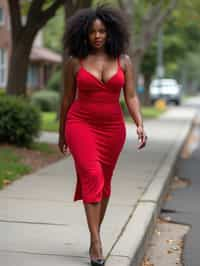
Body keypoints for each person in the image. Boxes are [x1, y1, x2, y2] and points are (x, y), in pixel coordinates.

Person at [58, 5, 147, 266]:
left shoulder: (124, 60)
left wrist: (139, 123)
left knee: (103, 184)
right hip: (80, 124)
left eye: (102, 31)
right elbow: (66, 100)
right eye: (92, 32)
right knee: (93, 176)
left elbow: (130, 96)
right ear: (83, 35)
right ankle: (97, 242)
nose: (97, 36)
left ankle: (93, 235)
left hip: (112, 129)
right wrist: (62, 132)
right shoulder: (75, 62)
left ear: (111, 33)